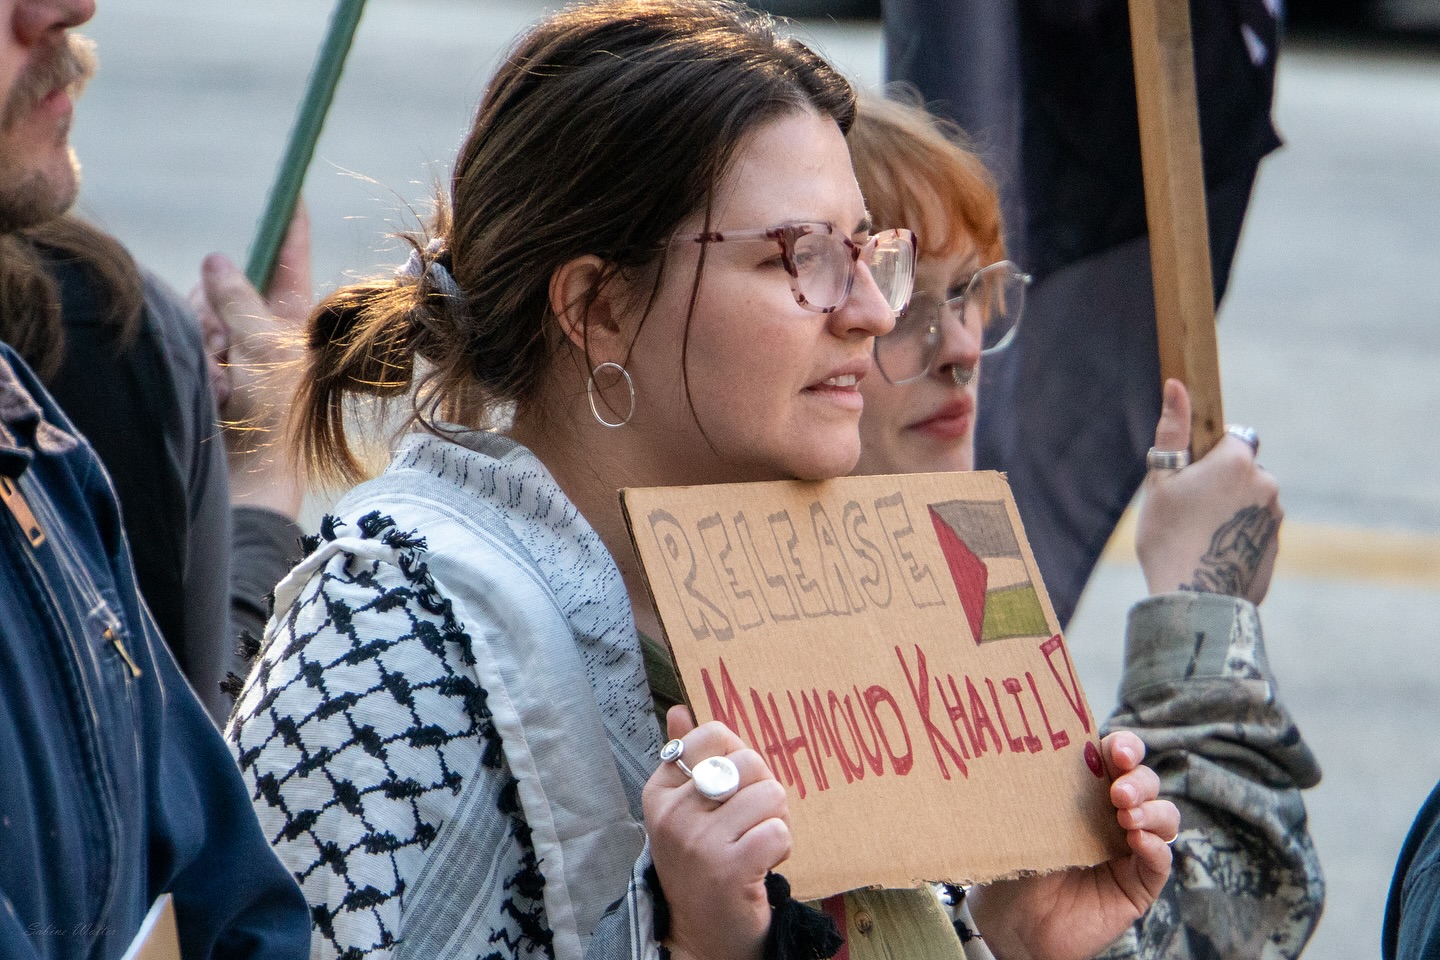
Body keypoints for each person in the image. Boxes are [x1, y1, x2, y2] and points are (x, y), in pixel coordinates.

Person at [227, 4, 1180, 960]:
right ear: (598, 309)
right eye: (794, 257)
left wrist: (1012, 944)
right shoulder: (385, 641)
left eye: (865, 254)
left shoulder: (842, 598)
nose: (868, 315)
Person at [847, 92, 1324, 959]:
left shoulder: (964, 547)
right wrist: (1198, 606)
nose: (958, 347)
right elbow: (1221, 928)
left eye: (967, 295)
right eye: (902, 305)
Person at [0, 1, 311, 953]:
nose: (69, 7)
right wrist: (257, 488)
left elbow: (218, 888)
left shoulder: (33, 439)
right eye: (772, 256)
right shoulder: (99, 342)